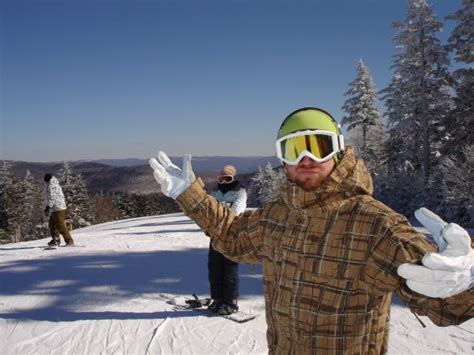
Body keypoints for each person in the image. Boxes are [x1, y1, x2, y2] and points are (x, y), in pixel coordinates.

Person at [149, 107, 473, 354]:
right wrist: (188, 193)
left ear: (338, 150)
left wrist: (460, 283)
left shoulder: (375, 225)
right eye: (293, 150)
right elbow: (231, 234)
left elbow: (443, 303)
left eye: (318, 145)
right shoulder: (278, 215)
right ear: (283, 160)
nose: (306, 158)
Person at [207, 165, 247, 315]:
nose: (223, 182)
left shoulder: (240, 192)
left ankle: (230, 301)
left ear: (233, 178)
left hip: (231, 235)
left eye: (227, 178)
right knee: (215, 268)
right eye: (221, 178)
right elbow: (208, 209)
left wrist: (219, 216)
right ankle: (217, 299)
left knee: (229, 269)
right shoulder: (215, 191)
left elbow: (236, 211)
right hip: (215, 235)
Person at [44, 173, 74, 247]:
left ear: (48, 180)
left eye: (46, 181)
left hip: (59, 208)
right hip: (56, 208)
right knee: (52, 224)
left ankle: (69, 240)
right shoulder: (52, 184)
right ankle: (56, 239)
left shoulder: (52, 185)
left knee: (60, 225)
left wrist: (48, 206)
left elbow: (52, 197)